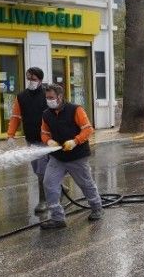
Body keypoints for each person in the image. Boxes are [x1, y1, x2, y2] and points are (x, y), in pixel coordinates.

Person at [39, 83, 103, 229]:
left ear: (60, 97)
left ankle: (96, 207)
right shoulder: (46, 114)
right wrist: (48, 141)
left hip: (77, 156)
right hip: (57, 157)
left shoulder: (75, 110)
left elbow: (88, 129)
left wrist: (75, 141)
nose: (48, 100)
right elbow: (44, 132)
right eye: (47, 97)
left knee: (85, 183)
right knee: (49, 183)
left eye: (51, 97)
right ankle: (57, 218)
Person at [7, 67, 50, 213]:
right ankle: (61, 188)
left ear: (40, 80)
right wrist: (10, 135)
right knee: (37, 170)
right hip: (31, 139)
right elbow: (16, 117)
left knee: (42, 171)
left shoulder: (47, 94)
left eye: (34, 79)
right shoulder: (21, 97)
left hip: (46, 139)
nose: (31, 82)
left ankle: (43, 201)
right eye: (29, 79)